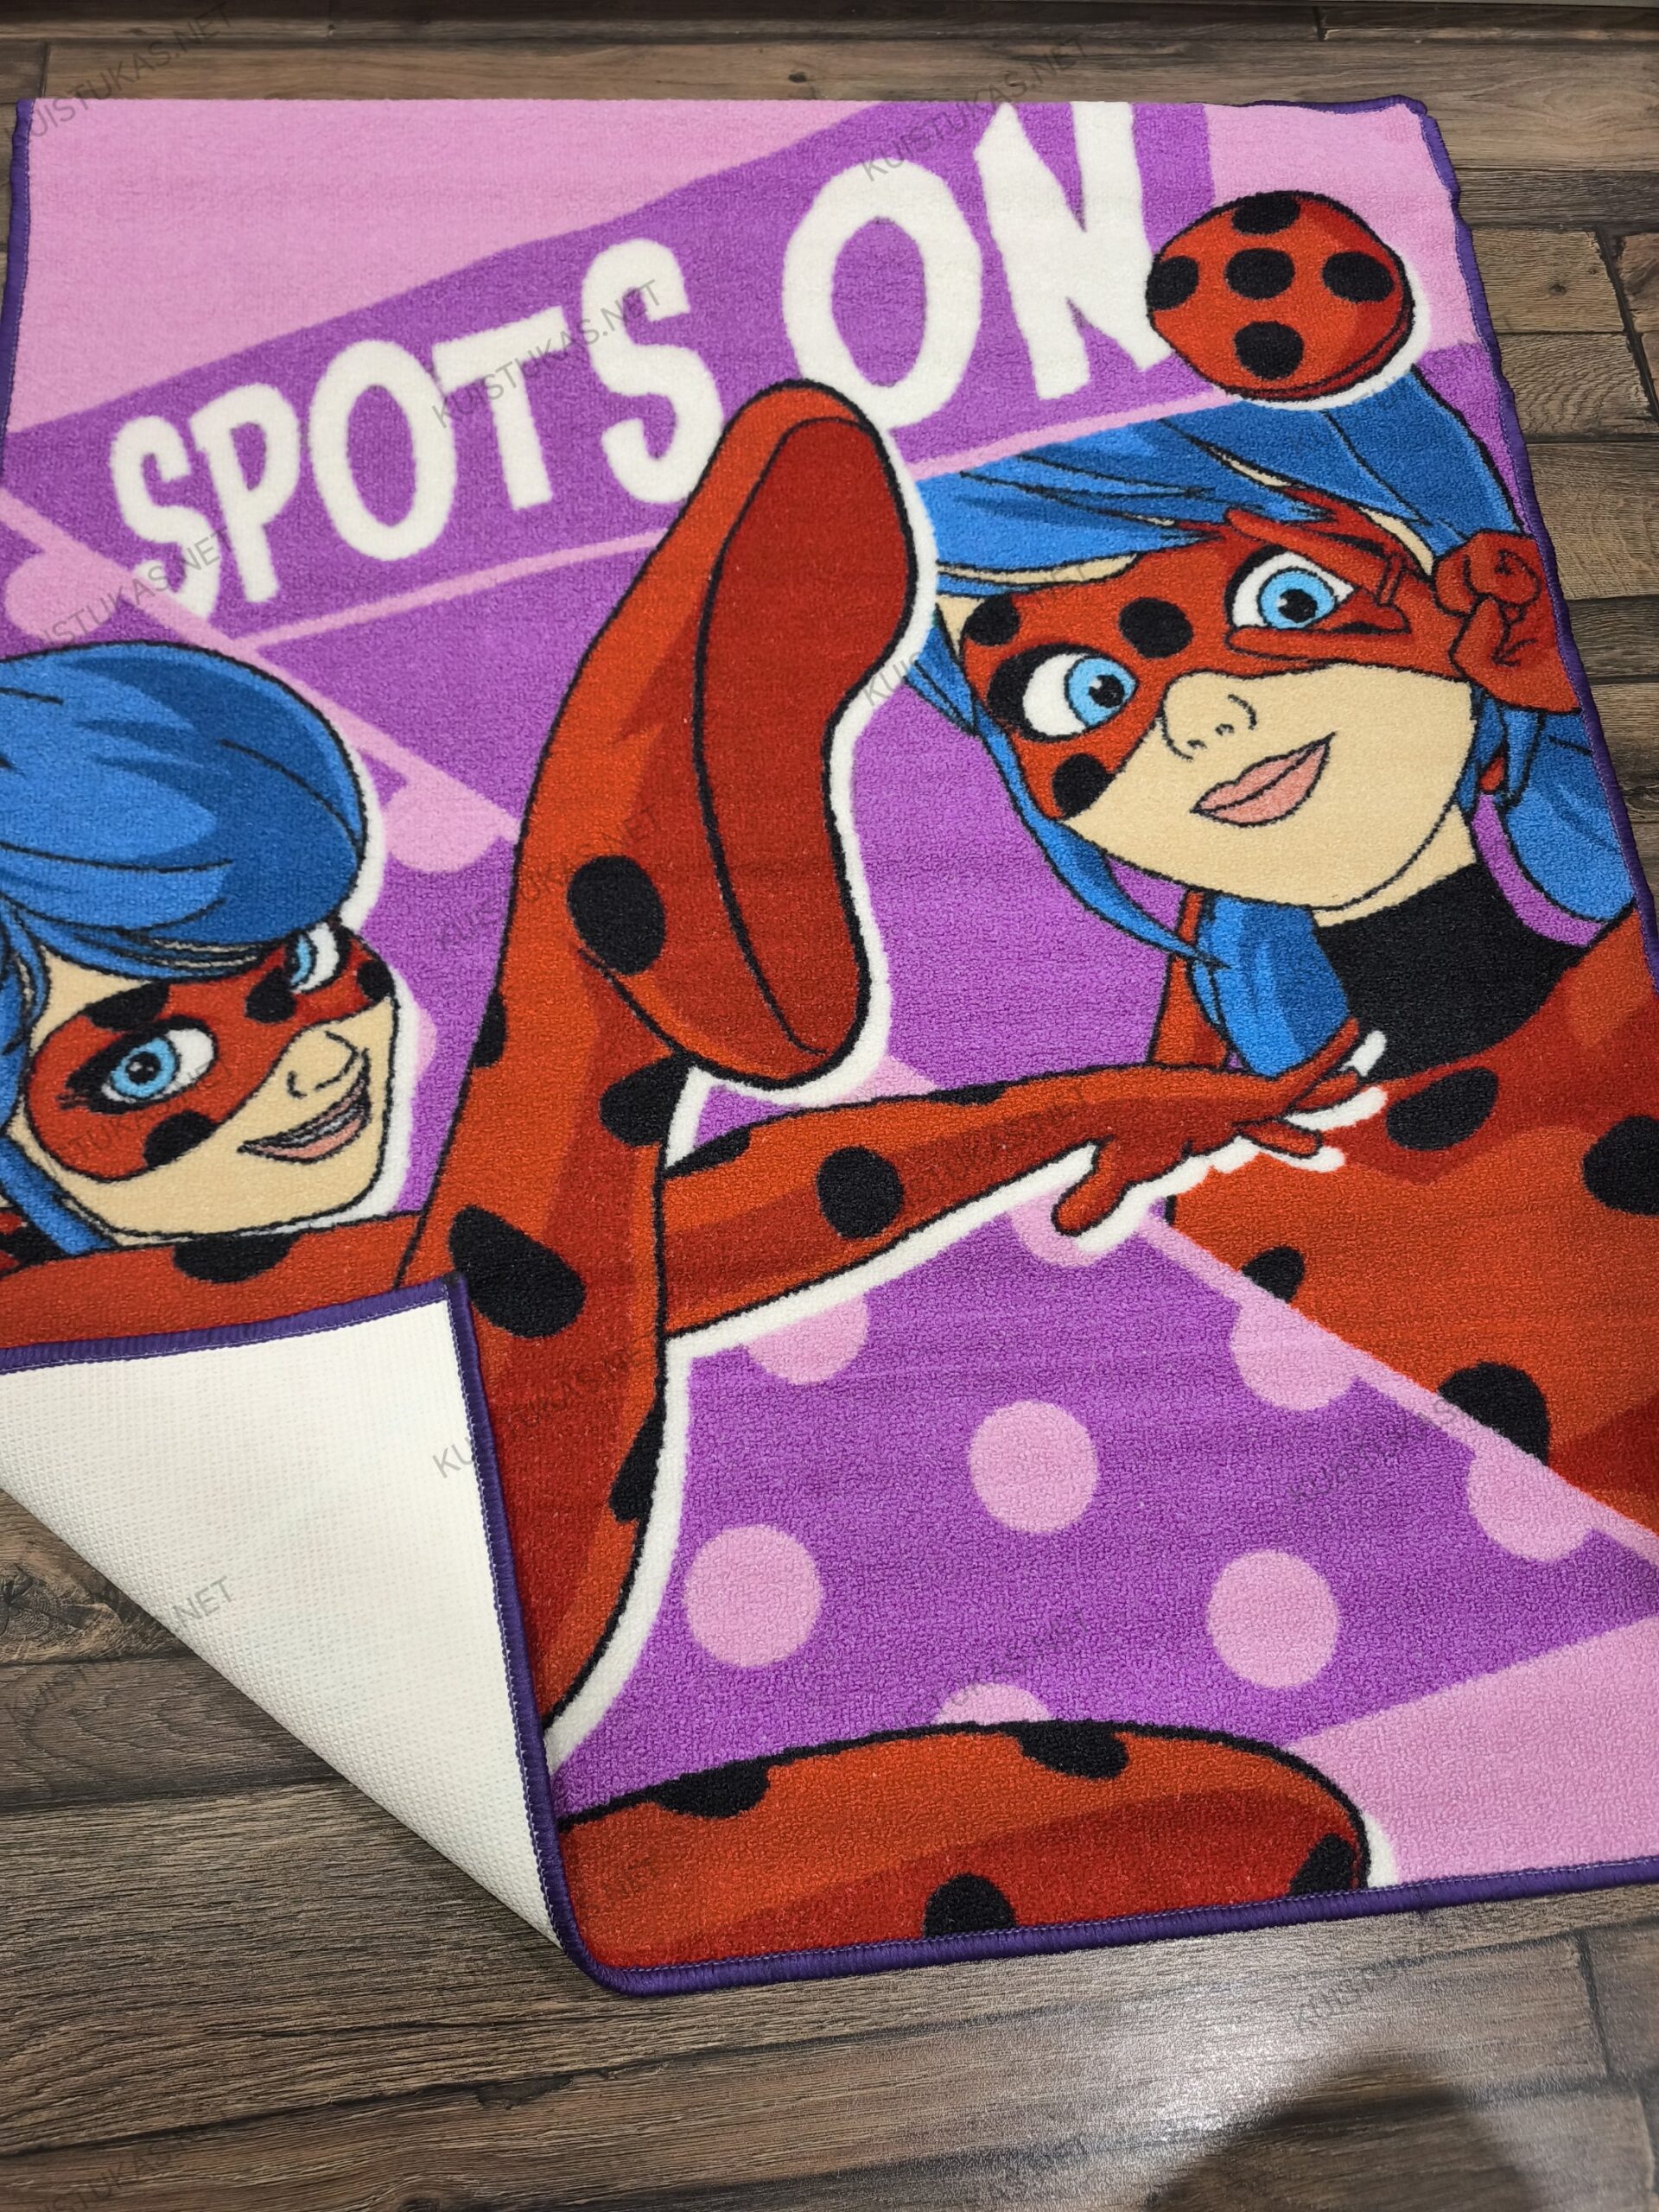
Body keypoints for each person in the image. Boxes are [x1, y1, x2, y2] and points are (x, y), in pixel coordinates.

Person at [0, 385, 1377, 1966]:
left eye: (305, 970)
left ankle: (610, 938)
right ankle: (599, 921)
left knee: (1263, 1830)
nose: (309, 1068)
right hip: (491, 1717)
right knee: (499, 1301)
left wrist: (1075, 1113)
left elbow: (660, 1252)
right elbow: (546, 1275)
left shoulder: (400, 1285)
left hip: (518, 1689)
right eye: (146, 1069)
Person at [908, 372, 1659, 1537]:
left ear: (1463, 570)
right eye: (1080, 693)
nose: (1202, 720)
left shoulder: (1630, 1019)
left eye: (1286, 599)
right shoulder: (1215, 1209)